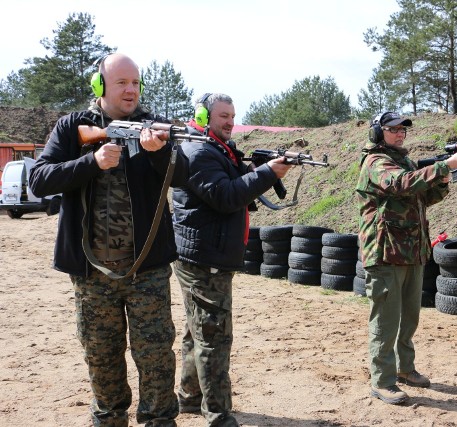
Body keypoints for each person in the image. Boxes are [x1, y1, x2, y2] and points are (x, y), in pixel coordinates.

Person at [29, 53, 188, 426]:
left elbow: (184, 178)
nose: (131, 89)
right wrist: (92, 162)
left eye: (136, 82)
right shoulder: (74, 127)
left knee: (156, 357)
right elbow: (39, 180)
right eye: (122, 82)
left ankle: (159, 421)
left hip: (145, 269)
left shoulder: (154, 127)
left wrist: (158, 153)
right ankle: (109, 419)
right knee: (102, 358)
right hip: (92, 273)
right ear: (99, 86)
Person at [171, 93, 293, 426]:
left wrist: (257, 167)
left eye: (233, 115)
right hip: (204, 256)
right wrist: (268, 173)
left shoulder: (214, 148)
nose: (229, 121)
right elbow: (226, 196)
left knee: (196, 330)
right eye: (223, 115)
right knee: (214, 338)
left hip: (206, 252)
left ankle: (190, 397)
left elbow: (234, 180)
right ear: (203, 116)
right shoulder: (197, 151)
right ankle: (219, 415)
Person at [355, 111, 457, 405]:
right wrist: (443, 166)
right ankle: (382, 381)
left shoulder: (405, 163)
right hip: (385, 253)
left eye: (403, 130)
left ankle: (404, 368)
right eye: (393, 129)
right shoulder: (375, 163)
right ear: (378, 133)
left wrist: (445, 176)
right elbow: (400, 184)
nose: (400, 134)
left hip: (411, 251)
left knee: (409, 318)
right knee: (386, 321)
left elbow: (425, 197)